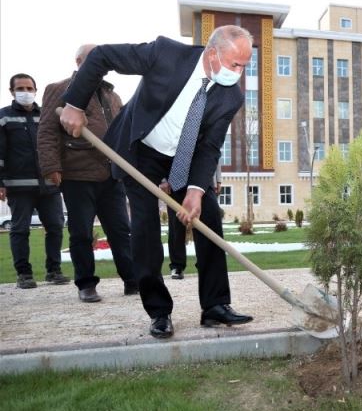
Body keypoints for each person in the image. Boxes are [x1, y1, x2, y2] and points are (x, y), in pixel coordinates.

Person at [60, 25, 254, 339]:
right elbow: (102, 55)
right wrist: (75, 104)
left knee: (210, 217)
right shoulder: (165, 54)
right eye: (235, 64)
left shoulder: (231, 95)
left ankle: (215, 306)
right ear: (212, 52)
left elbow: (209, 146)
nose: (239, 73)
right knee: (145, 229)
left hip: (185, 156)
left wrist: (194, 191)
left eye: (245, 66)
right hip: (141, 150)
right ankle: (159, 312)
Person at [38, 45, 137, 303]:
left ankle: (132, 279)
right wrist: (51, 166)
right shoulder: (59, 90)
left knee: (121, 230)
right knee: (81, 232)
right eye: (93, 60)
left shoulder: (111, 94)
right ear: (79, 61)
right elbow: (47, 130)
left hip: (110, 175)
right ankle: (86, 284)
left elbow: (122, 131)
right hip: (77, 174)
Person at [0, 74, 69, 289]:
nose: (25, 91)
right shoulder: (4, 117)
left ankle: (54, 271)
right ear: (12, 91)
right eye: (20, 88)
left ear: (36, 90)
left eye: (29, 88)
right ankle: (24, 274)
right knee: (20, 229)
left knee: (56, 226)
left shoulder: (48, 115)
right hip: (19, 186)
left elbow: (58, 146)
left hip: (50, 184)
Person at [160, 163, 221, 280]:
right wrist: (163, 179)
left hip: (202, 178)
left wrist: (218, 178)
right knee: (176, 225)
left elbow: (213, 150)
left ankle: (204, 264)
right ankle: (177, 266)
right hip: (174, 178)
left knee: (204, 223)